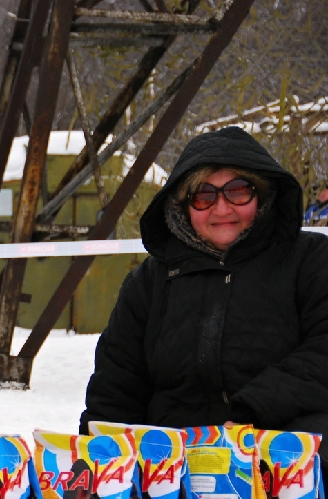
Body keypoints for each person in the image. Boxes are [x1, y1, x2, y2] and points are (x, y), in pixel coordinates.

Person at [81, 127, 328, 455]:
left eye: (238, 191)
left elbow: (322, 353)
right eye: (203, 195)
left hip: (286, 450)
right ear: (182, 205)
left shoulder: (311, 261)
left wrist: (252, 412)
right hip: (174, 462)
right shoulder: (149, 282)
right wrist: (101, 459)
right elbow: (116, 385)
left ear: (263, 195)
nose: (222, 209)